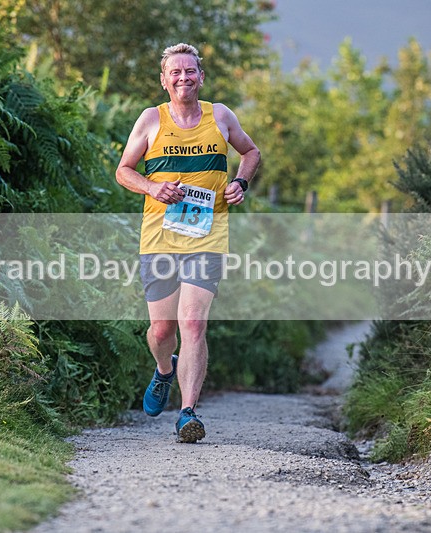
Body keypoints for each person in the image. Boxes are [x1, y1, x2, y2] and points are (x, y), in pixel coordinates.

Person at [115, 43, 260, 443]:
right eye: (175, 72)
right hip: (159, 237)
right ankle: (164, 370)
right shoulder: (150, 120)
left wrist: (239, 182)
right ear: (164, 81)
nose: (183, 78)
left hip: (206, 237)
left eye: (190, 71)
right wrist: (152, 187)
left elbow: (251, 152)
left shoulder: (221, 116)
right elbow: (123, 171)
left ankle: (188, 413)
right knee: (162, 331)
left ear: (201, 76)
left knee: (193, 322)